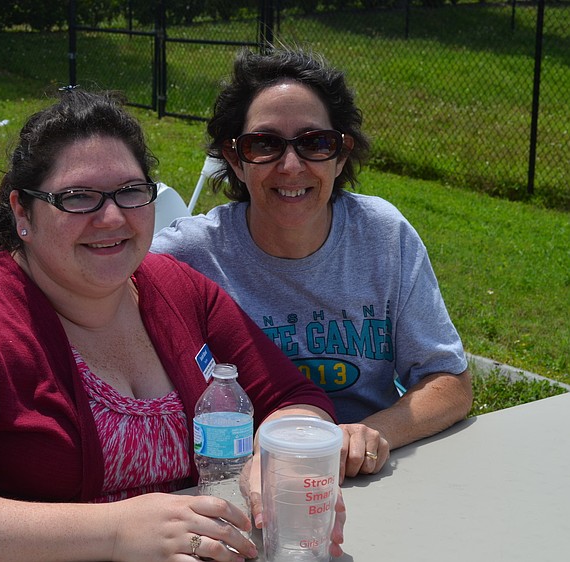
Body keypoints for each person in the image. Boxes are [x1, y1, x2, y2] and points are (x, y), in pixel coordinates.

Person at [0, 89, 342, 562]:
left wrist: (280, 465)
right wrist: (116, 531)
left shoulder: (178, 290)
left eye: (131, 192)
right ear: (22, 212)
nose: (112, 217)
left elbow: (293, 397)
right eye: (77, 197)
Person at [150, 46, 473, 480]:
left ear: (341, 156)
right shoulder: (185, 257)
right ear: (235, 160)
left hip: (370, 476)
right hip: (248, 482)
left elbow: (449, 381)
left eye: (315, 143)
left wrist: (369, 435)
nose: (290, 166)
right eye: (264, 144)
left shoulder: (383, 236)